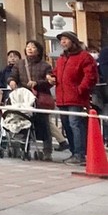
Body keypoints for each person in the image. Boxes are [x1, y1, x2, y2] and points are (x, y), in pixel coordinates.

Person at [52, 30, 98, 166]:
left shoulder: (84, 57)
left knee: (76, 125)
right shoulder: (61, 59)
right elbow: (56, 73)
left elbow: (90, 76)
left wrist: (80, 89)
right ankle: (74, 152)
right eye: (61, 40)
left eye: (65, 39)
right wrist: (52, 77)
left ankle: (80, 154)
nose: (63, 42)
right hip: (62, 97)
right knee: (67, 125)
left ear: (73, 41)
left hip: (76, 98)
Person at [20, 38, 55, 161]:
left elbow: (50, 82)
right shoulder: (21, 64)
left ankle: (47, 151)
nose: (29, 48)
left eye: (33, 47)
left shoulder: (45, 66)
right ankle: (24, 148)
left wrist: (37, 83)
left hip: (40, 99)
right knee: (23, 124)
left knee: (44, 125)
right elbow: (13, 76)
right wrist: (11, 81)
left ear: (39, 51)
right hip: (24, 99)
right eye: (28, 46)